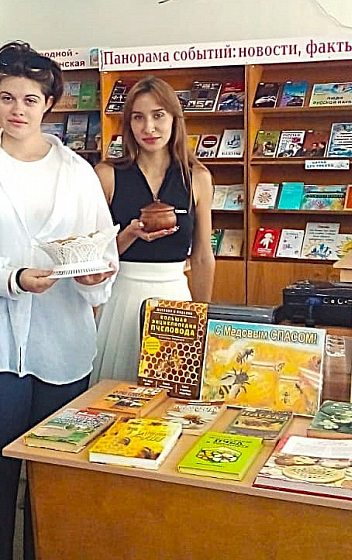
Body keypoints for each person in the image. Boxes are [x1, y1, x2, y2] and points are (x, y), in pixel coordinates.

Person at [0, 41, 117, 560]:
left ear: (49, 103)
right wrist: (12, 279)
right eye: (7, 97)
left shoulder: (77, 172)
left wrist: (95, 280)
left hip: (65, 343)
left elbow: (101, 249)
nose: (17, 110)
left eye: (30, 99)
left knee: (52, 478)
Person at [90, 76, 216, 384]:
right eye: (138, 117)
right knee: (113, 394)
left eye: (158, 115)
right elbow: (92, 256)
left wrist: (202, 319)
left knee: (171, 393)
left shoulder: (197, 178)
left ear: (174, 119)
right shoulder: (106, 175)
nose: (149, 127)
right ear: (128, 124)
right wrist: (129, 234)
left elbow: (202, 257)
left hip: (175, 298)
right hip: (121, 299)